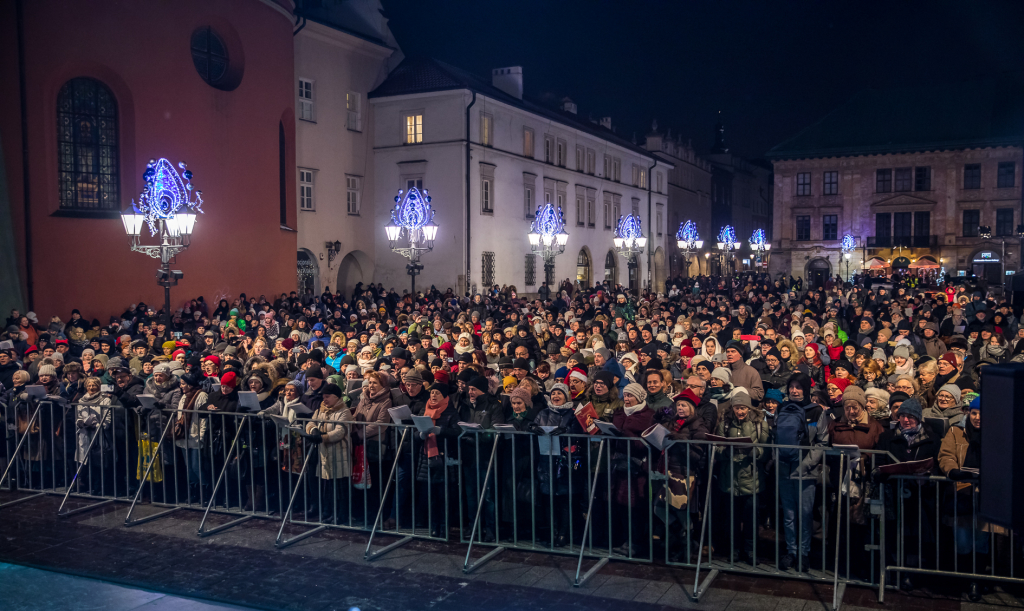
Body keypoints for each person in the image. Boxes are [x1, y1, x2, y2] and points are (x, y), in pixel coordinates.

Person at [714, 389, 768, 563]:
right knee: (732, 518)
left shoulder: (759, 424)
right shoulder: (725, 423)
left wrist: (753, 451)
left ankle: (750, 550)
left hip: (751, 477)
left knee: (751, 518)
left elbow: (766, 450)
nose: (740, 411)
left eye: (743, 408)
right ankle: (734, 549)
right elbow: (718, 448)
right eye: (737, 407)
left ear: (749, 408)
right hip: (730, 478)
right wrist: (727, 451)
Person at [306, 383, 352, 524]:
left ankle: (341, 514)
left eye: (327, 397)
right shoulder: (321, 409)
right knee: (328, 486)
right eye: (323, 397)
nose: (324, 400)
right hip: (324, 453)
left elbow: (340, 431)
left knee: (340, 487)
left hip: (340, 453)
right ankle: (330, 511)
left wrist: (322, 437)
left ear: (336, 397)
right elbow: (310, 423)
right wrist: (313, 430)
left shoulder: (344, 411)